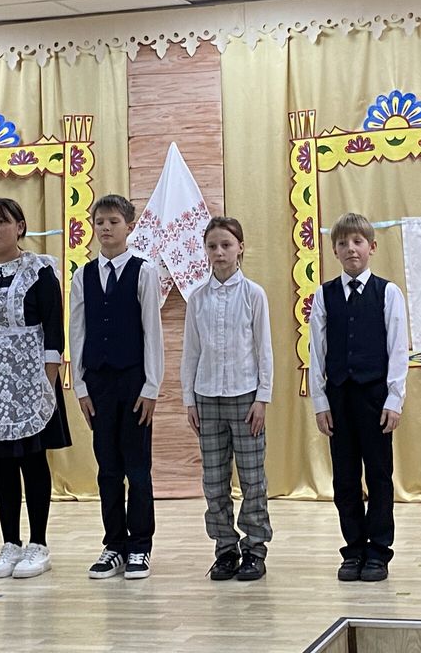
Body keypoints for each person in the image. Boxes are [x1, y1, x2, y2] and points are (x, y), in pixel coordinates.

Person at [0, 198, 72, 579]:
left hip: (30, 378)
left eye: (2, 222)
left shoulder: (40, 271)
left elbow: (54, 332)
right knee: (2, 463)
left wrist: (47, 385)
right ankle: (10, 543)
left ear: (20, 227)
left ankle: (38, 544)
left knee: (33, 460)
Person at [308, 212, 409, 582]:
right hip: (339, 399)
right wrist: (320, 402)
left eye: (357, 242)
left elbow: (398, 349)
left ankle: (378, 552)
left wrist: (394, 399)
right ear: (334, 250)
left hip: (375, 398)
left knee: (379, 475)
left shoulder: (388, 293)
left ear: (372, 247)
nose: (350, 248)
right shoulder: (324, 295)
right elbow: (316, 352)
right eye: (342, 243)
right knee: (345, 478)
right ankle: (353, 549)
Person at [69, 194, 164, 580]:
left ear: (129, 227)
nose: (106, 228)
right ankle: (114, 545)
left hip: (134, 382)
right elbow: (77, 331)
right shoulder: (83, 276)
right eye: (100, 222)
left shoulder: (144, 271)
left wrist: (151, 386)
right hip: (99, 383)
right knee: (107, 468)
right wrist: (80, 386)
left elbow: (152, 331)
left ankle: (140, 545)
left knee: (137, 468)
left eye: (113, 221)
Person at [181, 217, 273, 581]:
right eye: (212, 246)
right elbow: (191, 352)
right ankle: (225, 549)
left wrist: (262, 398)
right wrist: (189, 399)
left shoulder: (253, 294)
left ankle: (255, 548)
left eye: (226, 245)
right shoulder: (197, 299)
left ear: (240, 248)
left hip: (245, 397)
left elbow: (264, 350)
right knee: (215, 480)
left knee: (252, 479)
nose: (219, 252)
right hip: (207, 398)